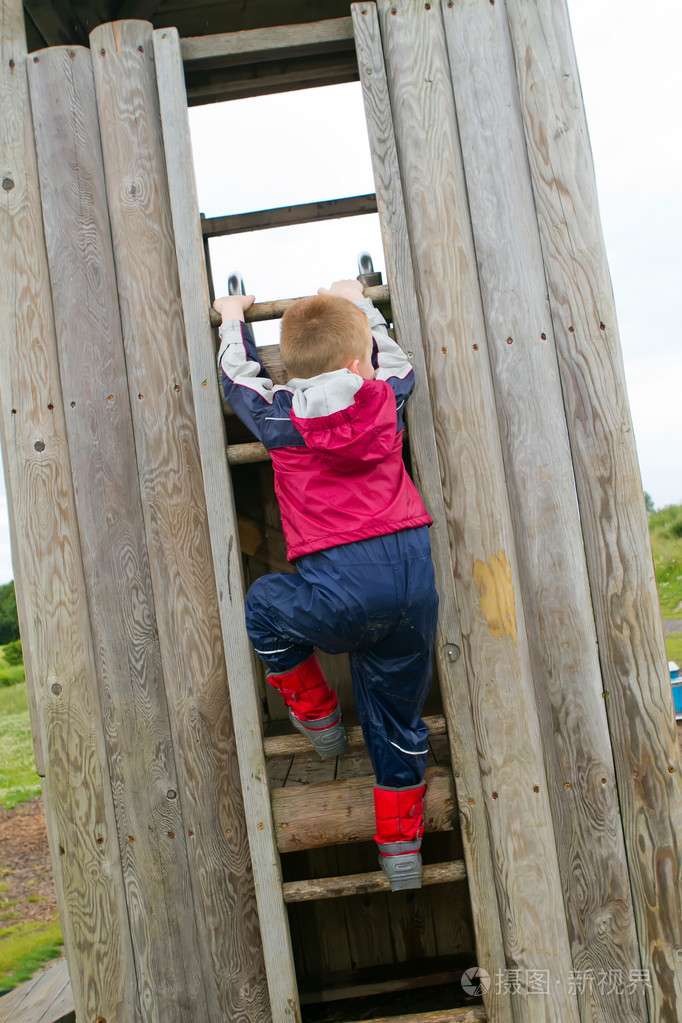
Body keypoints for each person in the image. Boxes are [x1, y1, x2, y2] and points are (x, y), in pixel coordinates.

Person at [214, 279, 439, 890]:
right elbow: (397, 358)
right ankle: (401, 855)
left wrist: (234, 315)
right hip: (412, 583)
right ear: (357, 361)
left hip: (339, 590)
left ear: (291, 368)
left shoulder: (279, 417)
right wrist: (360, 299)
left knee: (263, 604)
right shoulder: (384, 397)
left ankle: (318, 718)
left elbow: (237, 377)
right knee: (396, 721)